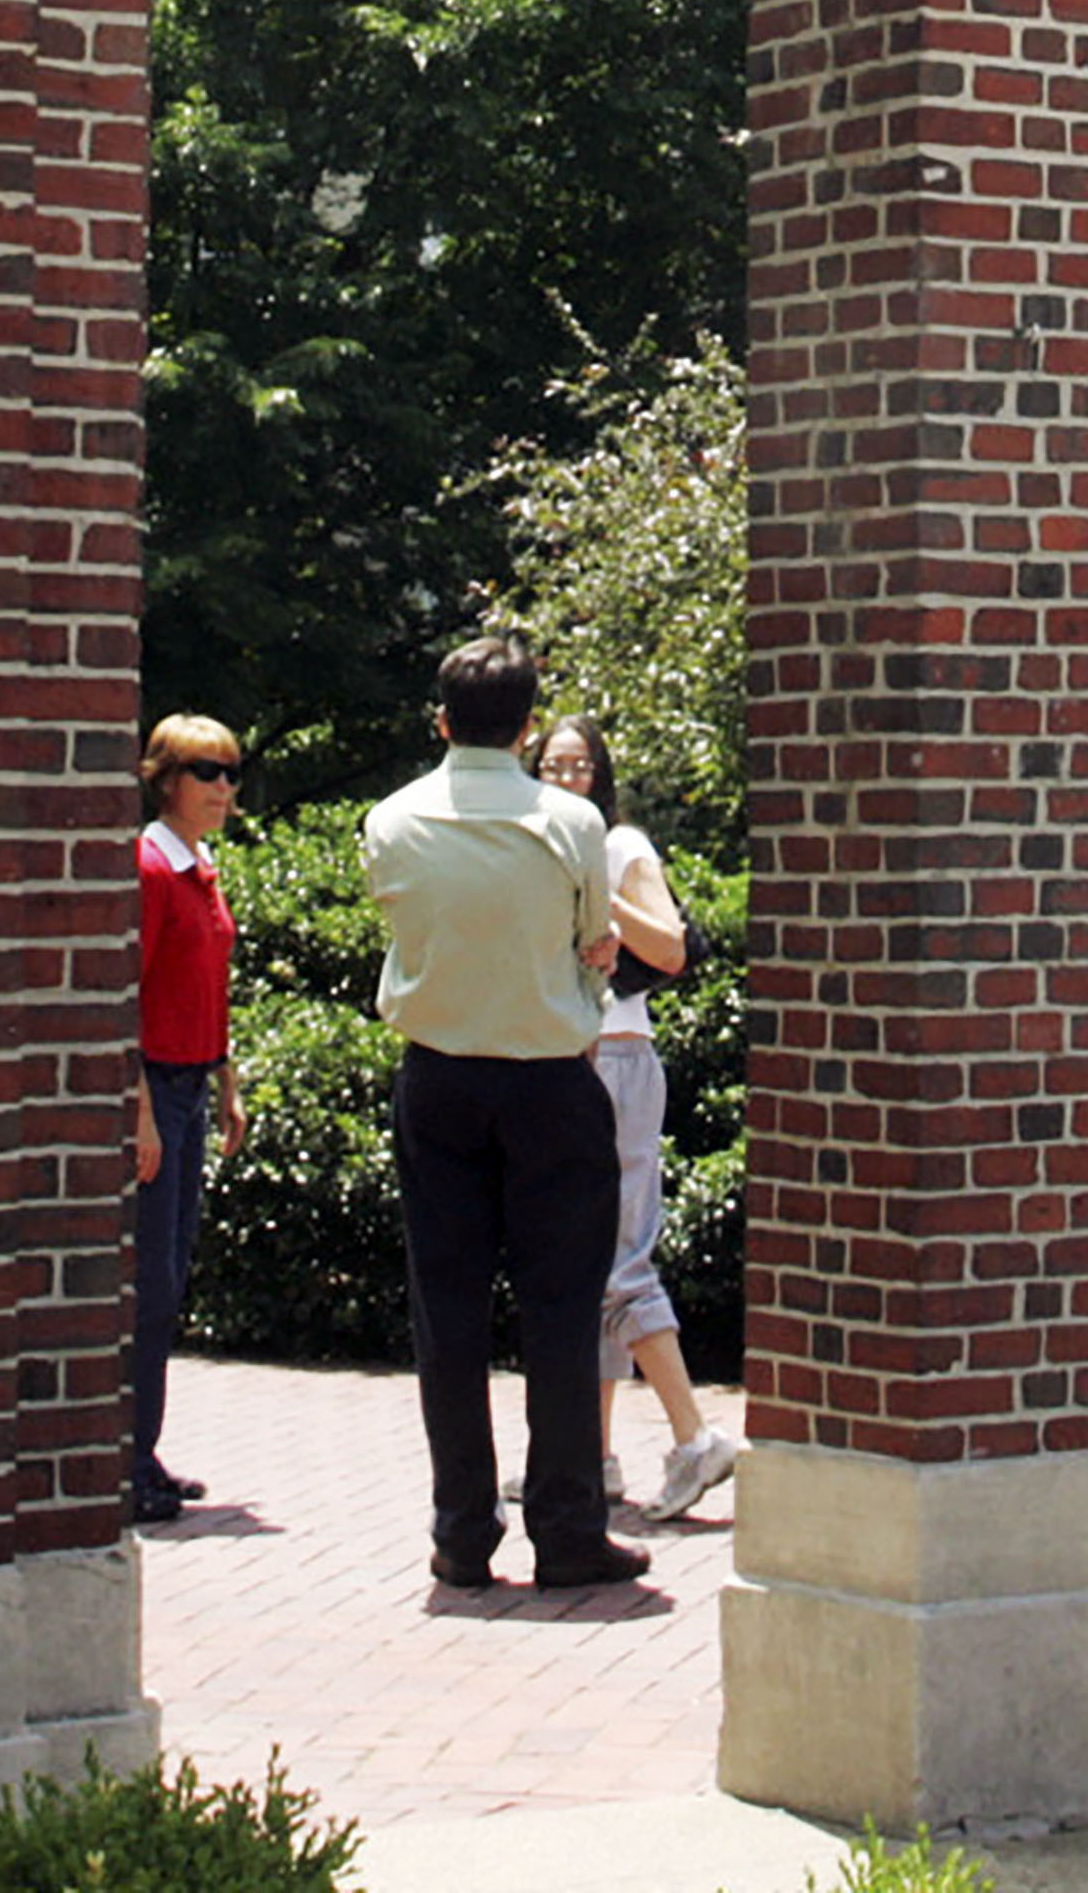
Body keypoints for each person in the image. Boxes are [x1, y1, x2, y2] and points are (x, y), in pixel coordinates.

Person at [360, 632, 641, 1593]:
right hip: (551, 1080)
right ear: (529, 726)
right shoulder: (572, 825)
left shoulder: (390, 820)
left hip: (436, 1076)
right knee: (561, 1310)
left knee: (448, 1311)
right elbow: (597, 939)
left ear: (440, 722)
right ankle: (566, 1531)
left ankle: (461, 1534)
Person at [537, 717, 742, 1524]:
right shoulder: (536, 841)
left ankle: (696, 1439)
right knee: (586, 1262)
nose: (567, 776)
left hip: (616, 1057)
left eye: (581, 763)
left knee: (620, 1258)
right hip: (566, 1055)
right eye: (552, 763)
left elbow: (673, 948)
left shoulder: (619, 846)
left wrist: (604, 897)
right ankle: (596, 1456)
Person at [127, 712, 253, 1527]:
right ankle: (123, 1457)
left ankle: (142, 1447)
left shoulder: (199, 867)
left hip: (192, 1085)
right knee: (149, 1283)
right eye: (205, 771)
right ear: (165, 777)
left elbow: (211, 987)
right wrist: (140, 1113)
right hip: (157, 1092)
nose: (221, 787)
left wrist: (228, 1080)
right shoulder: (148, 868)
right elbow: (125, 994)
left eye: (231, 772)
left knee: (170, 1280)